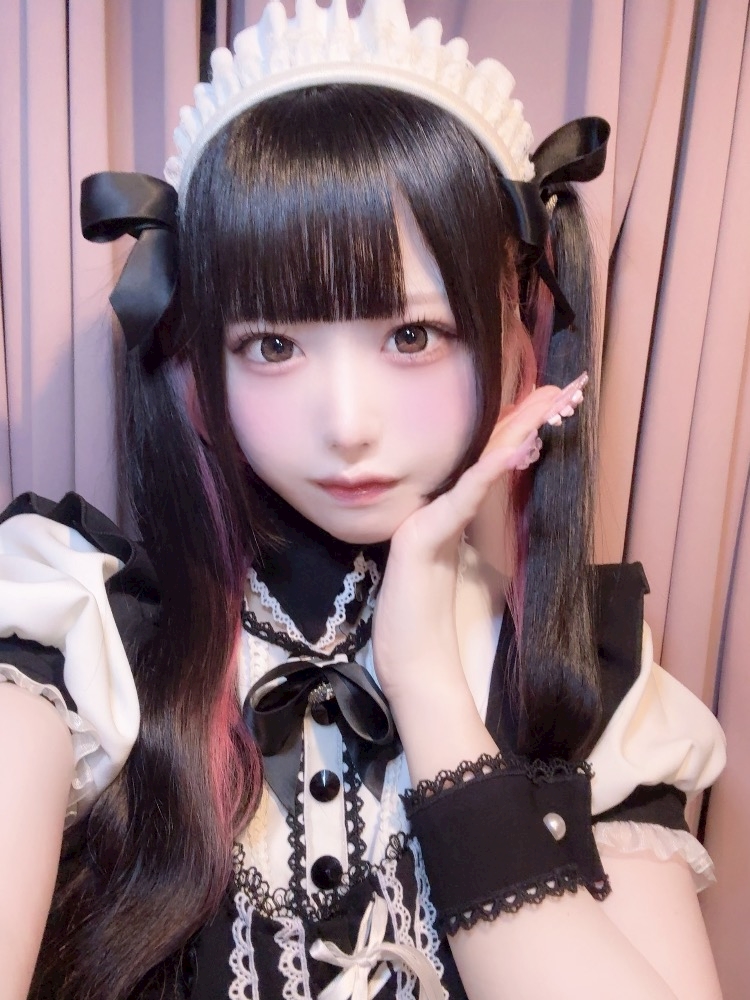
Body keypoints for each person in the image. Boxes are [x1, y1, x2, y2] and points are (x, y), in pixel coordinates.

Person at [0, 1, 726, 998]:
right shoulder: (74, 631)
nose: (347, 423)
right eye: (273, 344)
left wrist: (426, 677)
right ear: (197, 368)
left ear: (518, 336)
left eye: (412, 336)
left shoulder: (580, 669)